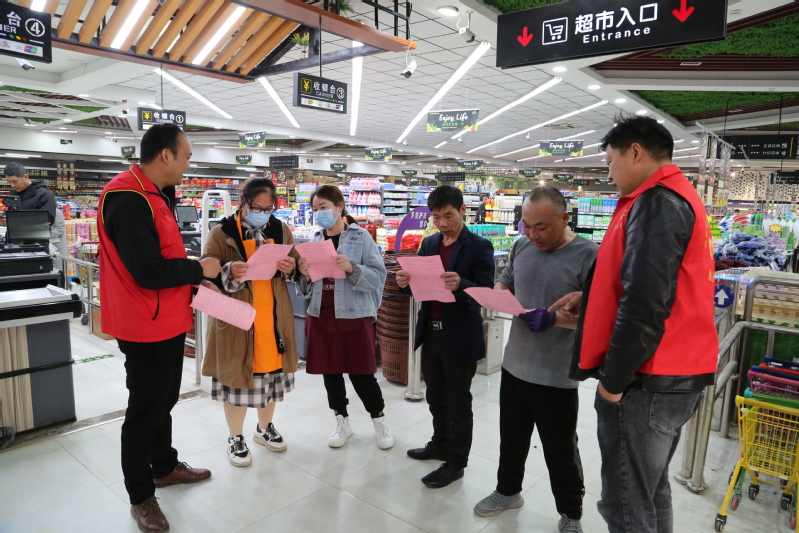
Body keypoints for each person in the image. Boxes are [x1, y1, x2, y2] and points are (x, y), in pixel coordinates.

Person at [550, 115, 718, 533]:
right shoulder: (676, 195)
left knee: (625, 502)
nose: (608, 173)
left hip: (649, 378)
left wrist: (614, 382)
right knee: (650, 488)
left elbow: (645, 303)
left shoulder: (657, 201)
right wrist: (591, 297)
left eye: (610, 161)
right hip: (675, 372)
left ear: (636, 152)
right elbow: (650, 282)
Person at [97, 123, 222, 533]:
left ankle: (164, 465)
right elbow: (147, 271)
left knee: (164, 398)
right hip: (143, 323)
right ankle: (141, 495)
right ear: (166, 155)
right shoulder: (127, 198)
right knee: (144, 410)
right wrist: (198, 269)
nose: (188, 165)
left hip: (166, 317)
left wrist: (195, 279)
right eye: (186, 157)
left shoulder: (155, 193)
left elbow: (163, 255)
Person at [474, 187, 596, 532]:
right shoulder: (522, 246)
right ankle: (507, 491)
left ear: (565, 218)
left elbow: (599, 316)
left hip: (557, 374)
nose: (533, 234)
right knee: (511, 439)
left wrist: (553, 319)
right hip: (515, 365)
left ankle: (571, 513)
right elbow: (506, 280)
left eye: (541, 226)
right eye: (526, 225)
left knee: (560, 450)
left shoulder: (589, 255)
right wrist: (499, 296)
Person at [396, 185, 495, 488]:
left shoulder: (479, 246)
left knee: (458, 403)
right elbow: (420, 290)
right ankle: (440, 443)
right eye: (437, 217)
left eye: (448, 216)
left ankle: (456, 463)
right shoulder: (429, 244)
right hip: (432, 333)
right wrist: (405, 283)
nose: (442, 223)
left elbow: (486, 294)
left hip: (460, 336)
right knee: (435, 397)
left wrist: (462, 284)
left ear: (463, 210)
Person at [201, 177, 300, 466]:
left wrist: (292, 267)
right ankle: (235, 437)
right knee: (237, 378)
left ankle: (264, 428)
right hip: (236, 321)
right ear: (243, 202)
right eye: (257, 208)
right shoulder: (222, 232)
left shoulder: (280, 229)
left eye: (268, 209)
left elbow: (296, 263)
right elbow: (206, 271)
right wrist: (229, 270)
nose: (262, 213)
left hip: (273, 318)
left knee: (270, 376)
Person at [297, 185, 394, 450]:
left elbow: (378, 278)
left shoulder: (361, 237)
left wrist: (351, 267)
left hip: (354, 315)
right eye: (315, 209)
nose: (319, 213)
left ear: (339, 207)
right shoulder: (314, 241)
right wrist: (304, 275)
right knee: (331, 373)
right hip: (321, 315)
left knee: (362, 373)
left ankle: (379, 421)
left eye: (324, 207)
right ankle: (342, 421)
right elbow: (305, 290)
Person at [3, 162, 68, 269]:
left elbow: (46, 221)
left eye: (14, 181)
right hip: (13, 246)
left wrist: (15, 221)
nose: (12, 185)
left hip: (35, 248)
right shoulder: (14, 195)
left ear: (25, 176)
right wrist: (5, 220)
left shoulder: (43, 194)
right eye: (9, 182)